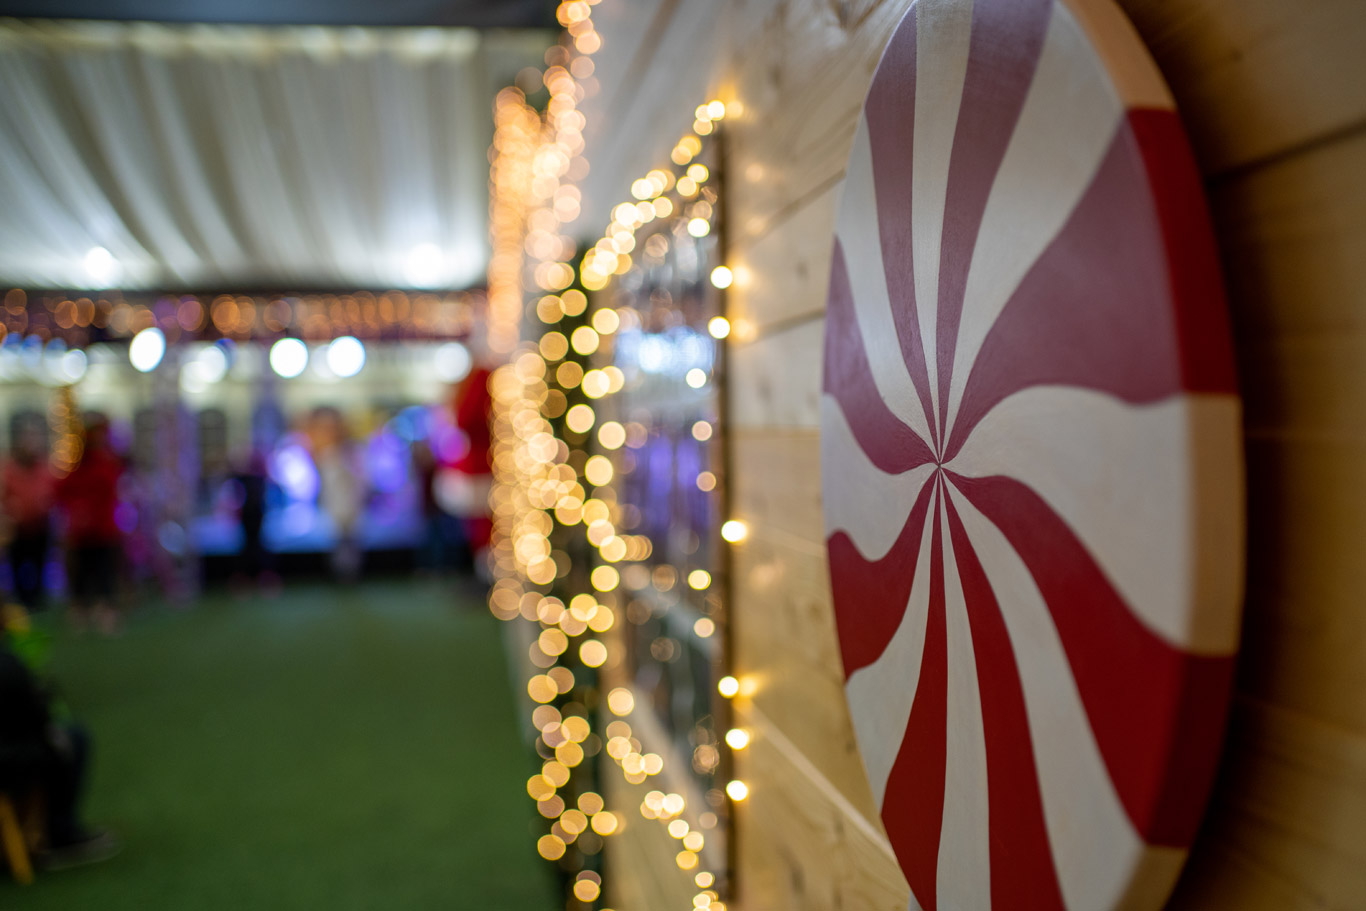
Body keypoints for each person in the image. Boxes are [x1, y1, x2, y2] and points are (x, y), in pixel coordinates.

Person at [0, 609, 118, 870]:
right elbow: (38, 716)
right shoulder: (8, 663)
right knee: (71, 739)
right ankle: (60, 833)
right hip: (9, 762)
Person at [54, 415, 125, 635]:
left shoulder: (105, 463)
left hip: (100, 530)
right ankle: (86, 611)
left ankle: (102, 611)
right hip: (85, 532)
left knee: (102, 572)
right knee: (85, 574)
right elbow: (62, 492)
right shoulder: (86, 465)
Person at [2, 425, 56, 611]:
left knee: (39, 561)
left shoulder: (43, 469)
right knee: (17, 562)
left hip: (40, 525)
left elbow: (51, 492)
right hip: (18, 527)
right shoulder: (10, 469)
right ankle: (21, 598)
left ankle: (37, 597)